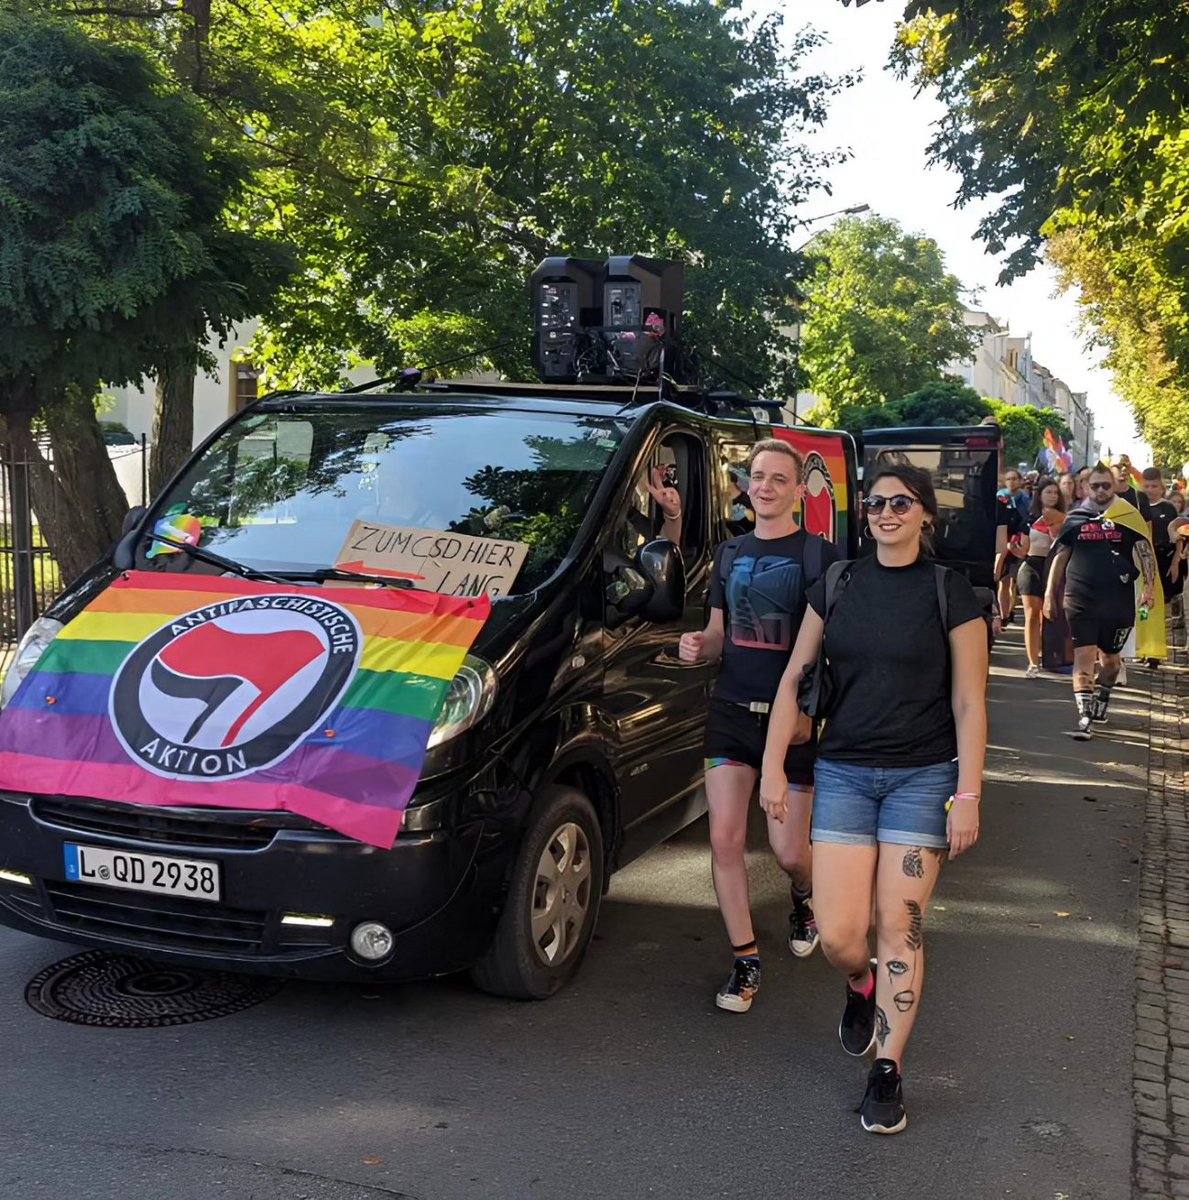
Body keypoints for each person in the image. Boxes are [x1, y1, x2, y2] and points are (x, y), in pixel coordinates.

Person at [759, 463, 988, 1135]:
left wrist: (967, 793)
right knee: (837, 935)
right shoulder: (838, 583)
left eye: (901, 502)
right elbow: (795, 674)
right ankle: (859, 984)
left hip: (924, 778)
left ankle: (886, 1071)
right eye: (876, 502)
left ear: (925, 514)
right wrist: (773, 765)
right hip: (844, 775)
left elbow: (969, 702)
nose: (885, 511)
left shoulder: (949, 591)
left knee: (898, 922)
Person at [678, 438, 838, 1013]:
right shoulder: (729, 554)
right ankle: (745, 961)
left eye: (777, 478)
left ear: (799, 489)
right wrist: (700, 643)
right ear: (745, 485)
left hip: (793, 725)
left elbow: (833, 649)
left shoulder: (821, 557)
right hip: (732, 712)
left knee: (789, 850)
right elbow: (721, 632)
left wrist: (809, 717)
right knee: (724, 839)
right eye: (756, 476)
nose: (764, 486)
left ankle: (803, 895)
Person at [1044, 464, 1158, 739]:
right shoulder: (1076, 517)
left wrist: (1150, 588)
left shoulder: (1129, 517)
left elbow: (1145, 552)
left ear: (1115, 486)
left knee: (1110, 662)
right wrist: (1050, 593)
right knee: (1083, 654)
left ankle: (1102, 696)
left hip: (1117, 598)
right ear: (1086, 488)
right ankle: (1084, 716)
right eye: (1095, 486)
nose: (1100, 490)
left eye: (1106, 485)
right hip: (1080, 596)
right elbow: (1060, 557)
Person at [1018, 478, 1066, 677]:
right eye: (1049, 492)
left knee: (1050, 615)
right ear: (1040, 495)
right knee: (1032, 615)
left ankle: (1051, 656)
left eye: (1056, 492)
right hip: (1032, 566)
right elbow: (1023, 549)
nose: (1053, 496)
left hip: (1054, 567)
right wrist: (1015, 549)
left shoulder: (1066, 517)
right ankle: (1032, 663)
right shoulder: (1030, 518)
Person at [1142, 468, 1180, 605]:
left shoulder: (1168, 508)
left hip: (1165, 559)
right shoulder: (1137, 508)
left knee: (1166, 600)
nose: (1150, 490)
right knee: (1146, 602)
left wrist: (1176, 563)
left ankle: (1166, 626)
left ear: (1161, 487)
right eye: (1146, 486)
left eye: (1154, 486)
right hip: (1145, 560)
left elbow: (1178, 538)